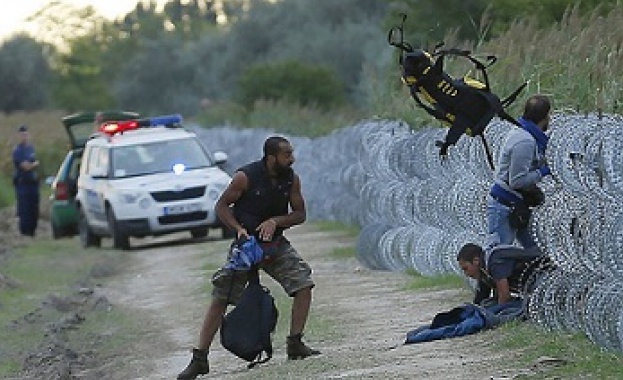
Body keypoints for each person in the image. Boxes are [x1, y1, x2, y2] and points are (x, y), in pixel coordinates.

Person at [177, 136, 320, 380]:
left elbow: (299, 214)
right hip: (246, 247)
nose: (292, 159)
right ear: (271, 157)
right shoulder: (245, 177)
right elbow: (222, 206)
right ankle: (199, 358)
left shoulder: (291, 179)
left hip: (274, 245)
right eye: (287, 155)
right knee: (221, 297)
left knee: (304, 284)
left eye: (291, 154)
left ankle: (295, 344)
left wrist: (276, 221)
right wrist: (238, 228)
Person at [487, 94, 552, 250]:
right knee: (499, 256)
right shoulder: (525, 141)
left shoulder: (526, 135)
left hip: (515, 205)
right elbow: (517, 181)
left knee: (534, 252)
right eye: (549, 115)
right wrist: (544, 171)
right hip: (505, 206)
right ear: (544, 117)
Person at [457, 243, 546, 305]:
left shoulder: (494, 261)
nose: (466, 274)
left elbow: (504, 295)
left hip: (544, 274)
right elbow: (480, 299)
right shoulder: (484, 270)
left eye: (466, 269)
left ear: (476, 261)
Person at [12, 125, 40, 237]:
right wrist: (34, 164)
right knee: (24, 209)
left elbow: (33, 163)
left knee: (34, 207)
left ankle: (33, 231)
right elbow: (25, 166)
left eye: (26, 134)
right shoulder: (17, 151)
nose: (24, 137)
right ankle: (25, 232)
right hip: (22, 183)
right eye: (22, 135)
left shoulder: (31, 148)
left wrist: (32, 164)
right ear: (19, 136)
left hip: (32, 183)